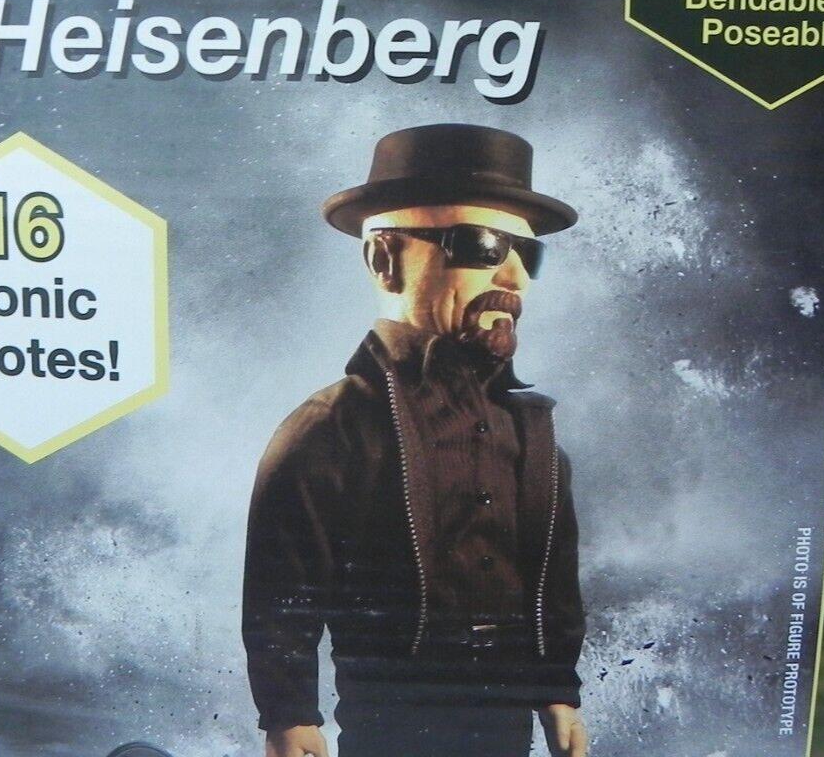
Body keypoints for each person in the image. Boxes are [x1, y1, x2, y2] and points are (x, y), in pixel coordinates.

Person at [242, 124, 587, 757]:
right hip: (393, 714)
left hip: (506, 710)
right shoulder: (332, 427)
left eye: (527, 253)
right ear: (384, 258)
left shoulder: (531, 432)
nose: (514, 274)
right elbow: (283, 588)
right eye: (482, 245)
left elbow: (551, 577)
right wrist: (289, 714)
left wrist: (556, 690)